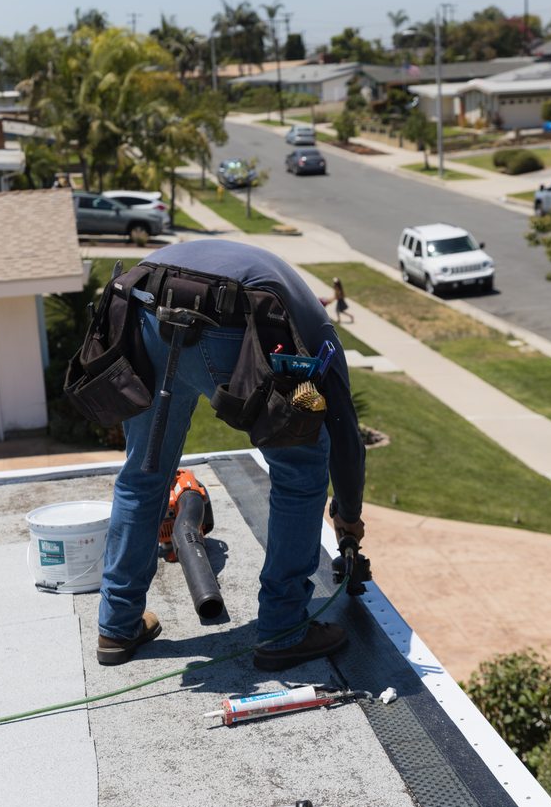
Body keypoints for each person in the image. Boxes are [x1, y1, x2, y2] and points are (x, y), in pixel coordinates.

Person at [96, 239, 366, 672]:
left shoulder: (295, 303)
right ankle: (283, 630)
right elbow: (344, 433)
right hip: (232, 319)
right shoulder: (316, 332)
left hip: (146, 303)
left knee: (145, 471)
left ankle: (116, 626)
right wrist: (348, 517)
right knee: (299, 471)